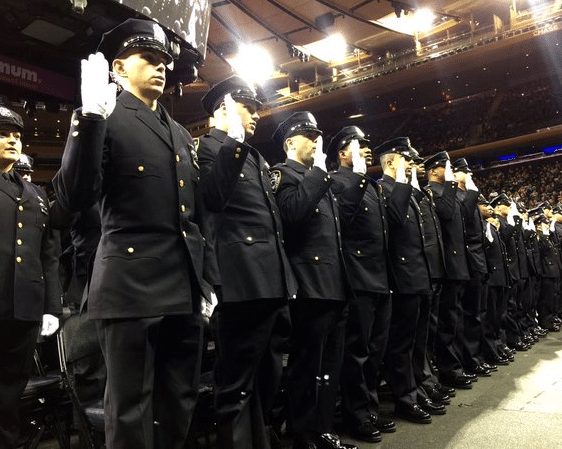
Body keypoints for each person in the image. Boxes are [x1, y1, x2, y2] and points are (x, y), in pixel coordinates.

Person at [53, 18, 206, 449]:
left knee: (179, 399)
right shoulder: (105, 115)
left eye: (165, 61)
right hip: (131, 285)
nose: (161, 67)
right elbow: (75, 196)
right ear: (119, 69)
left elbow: (191, 214)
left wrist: (204, 279)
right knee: (130, 409)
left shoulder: (177, 132)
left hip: (182, 283)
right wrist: (89, 118)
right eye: (149, 59)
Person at [197, 76, 296, 449]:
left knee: (267, 378)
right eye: (247, 107)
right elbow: (212, 199)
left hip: (270, 279)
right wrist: (233, 143)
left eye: (257, 108)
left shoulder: (254, 155)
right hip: (240, 280)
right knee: (237, 385)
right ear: (223, 108)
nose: (256, 115)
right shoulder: (208, 148)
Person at [270, 112, 356, 449]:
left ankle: (323, 431)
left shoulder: (316, 177)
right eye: (309, 134)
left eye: (318, 133)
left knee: (328, 367)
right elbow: (291, 216)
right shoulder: (283, 175)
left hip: (333, 283)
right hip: (309, 285)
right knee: (307, 366)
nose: (317, 139)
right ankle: (304, 434)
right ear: (291, 142)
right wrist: (319, 174)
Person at [327, 126, 396, 443]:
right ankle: (355, 414)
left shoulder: (370, 184)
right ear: (342, 153)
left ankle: (368, 406)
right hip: (357, 278)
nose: (368, 150)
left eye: (369, 146)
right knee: (357, 352)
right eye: (359, 145)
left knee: (374, 350)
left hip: (379, 278)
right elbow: (343, 220)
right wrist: (356, 177)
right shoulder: (337, 181)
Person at [0, 106, 61, 448]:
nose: (13, 140)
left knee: (10, 396)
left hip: (23, 310)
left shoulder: (35, 194)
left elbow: (48, 255)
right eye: (4, 133)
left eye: (17, 135)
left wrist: (51, 306)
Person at [376, 138, 437, 424]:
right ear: (390, 163)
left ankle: (417, 388)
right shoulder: (382, 188)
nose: (413, 165)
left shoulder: (408, 192)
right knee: (401, 343)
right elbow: (394, 223)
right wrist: (402, 184)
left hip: (418, 275)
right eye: (407, 160)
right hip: (402, 277)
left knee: (417, 340)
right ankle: (405, 398)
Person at [424, 151, 476, 390]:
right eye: (446, 167)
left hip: (458, 265)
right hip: (446, 266)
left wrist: (470, 189)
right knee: (445, 324)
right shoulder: (432, 192)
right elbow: (445, 214)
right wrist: (453, 184)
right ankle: (448, 369)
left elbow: (465, 214)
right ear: (434, 171)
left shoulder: (448, 194)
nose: (451, 171)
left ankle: (455, 366)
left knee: (454, 322)